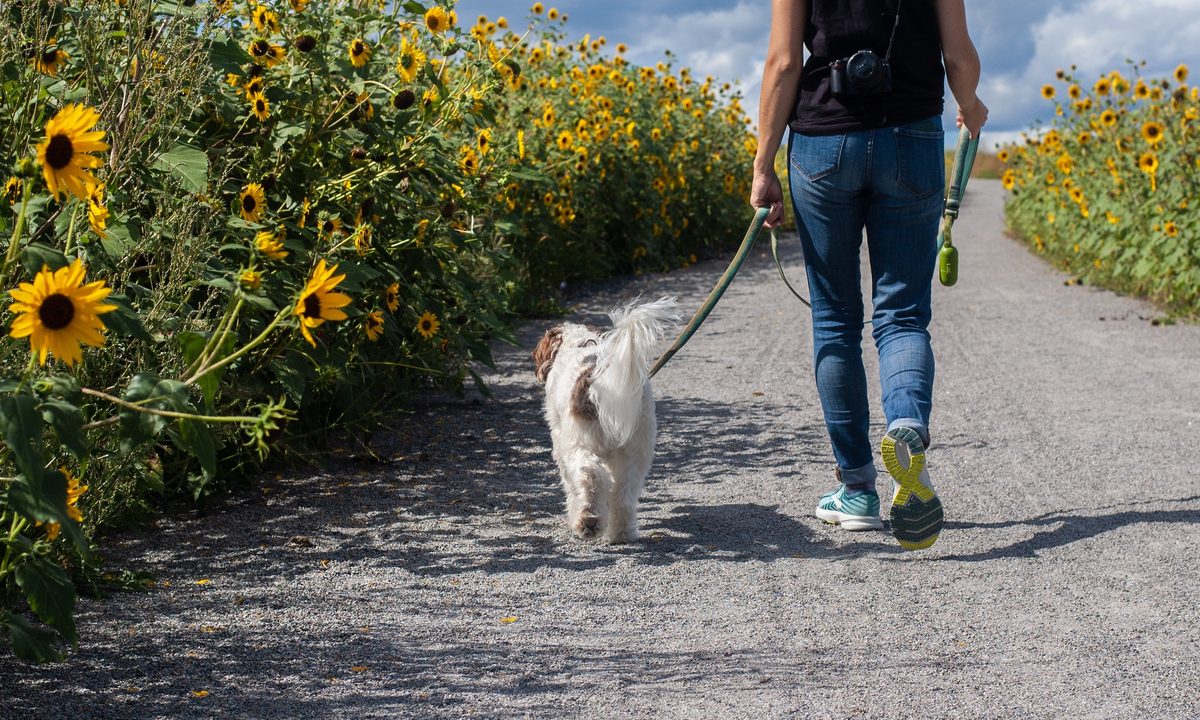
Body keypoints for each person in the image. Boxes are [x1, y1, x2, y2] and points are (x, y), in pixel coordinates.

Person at [750, 0, 987, 550]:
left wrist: (764, 165)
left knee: (834, 319)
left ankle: (857, 490)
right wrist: (969, 103)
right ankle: (906, 423)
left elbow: (784, 62)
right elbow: (958, 52)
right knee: (903, 314)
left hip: (823, 140)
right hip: (913, 136)